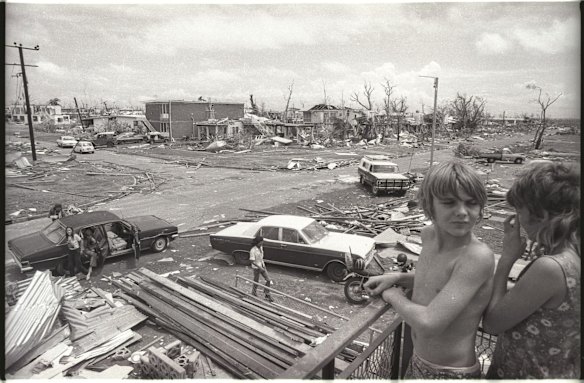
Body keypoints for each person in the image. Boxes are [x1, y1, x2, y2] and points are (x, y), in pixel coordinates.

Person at [365, 160, 494, 379]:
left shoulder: (476, 256)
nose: (462, 212)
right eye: (449, 203)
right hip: (418, 359)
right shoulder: (428, 236)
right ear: (429, 205)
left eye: (471, 203)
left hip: (450, 372)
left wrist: (393, 295)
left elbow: (429, 323)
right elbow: (435, 280)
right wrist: (399, 277)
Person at [483, 161, 580, 379]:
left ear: (541, 215)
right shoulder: (573, 257)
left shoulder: (551, 268)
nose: (517, 218)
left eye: (519, 210)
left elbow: (492, 324)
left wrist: (507, 258)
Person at [249, 236, 274, 302]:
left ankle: (267, 293)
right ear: (257, 242)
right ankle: (253, 293)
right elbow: (252, 261)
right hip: (256, 268)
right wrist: (259, 267)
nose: (262, 243)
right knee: (256, 281)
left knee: (268, 280)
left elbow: (261, 258)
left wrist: (263, 266)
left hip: (262, 266)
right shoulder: (253, 250)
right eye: (261, 242)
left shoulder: (261, 247)